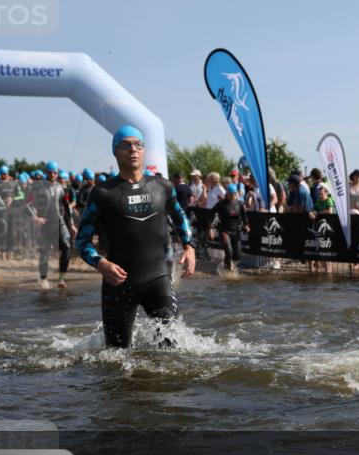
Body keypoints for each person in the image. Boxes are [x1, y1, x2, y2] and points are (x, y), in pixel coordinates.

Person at [76, 125, 195, 348]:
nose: (133, 149)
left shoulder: (162, 187)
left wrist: (189, 247)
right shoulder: (102, 193)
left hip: (157, 278)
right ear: (115, 151)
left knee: (172, 349)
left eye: (138, 144)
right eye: (125, 145)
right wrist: (101, 264)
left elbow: (180, 217)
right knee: (116, 356)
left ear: (144, 150)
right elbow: (82, 241)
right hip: (118, 283)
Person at [27, 160, 74, 289]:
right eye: (50, 172)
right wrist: (35, 217)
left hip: (59, 222)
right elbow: (28, 204)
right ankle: (43, 279)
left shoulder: (61, 188)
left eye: (55, 172)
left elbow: (67, 206)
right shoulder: (38, 188)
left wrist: (72, 224)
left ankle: (61, 278)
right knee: (44, 253)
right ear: (45, 173)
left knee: (66, 246)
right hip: (45, 224)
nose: (53, 174)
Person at [214, 183, 246, 272]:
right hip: (225, 231)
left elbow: (244, 217)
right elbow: (212, 214)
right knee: (229, 252)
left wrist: (247, 225)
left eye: (234, 194)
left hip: (236, 232)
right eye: (230, 194)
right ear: (227, 193)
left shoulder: (240, 204)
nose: (232, 196)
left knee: (237, 256)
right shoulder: (221, 204)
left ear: (236, 194)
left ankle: (227, 262)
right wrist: (211, 227)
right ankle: (228, 269)